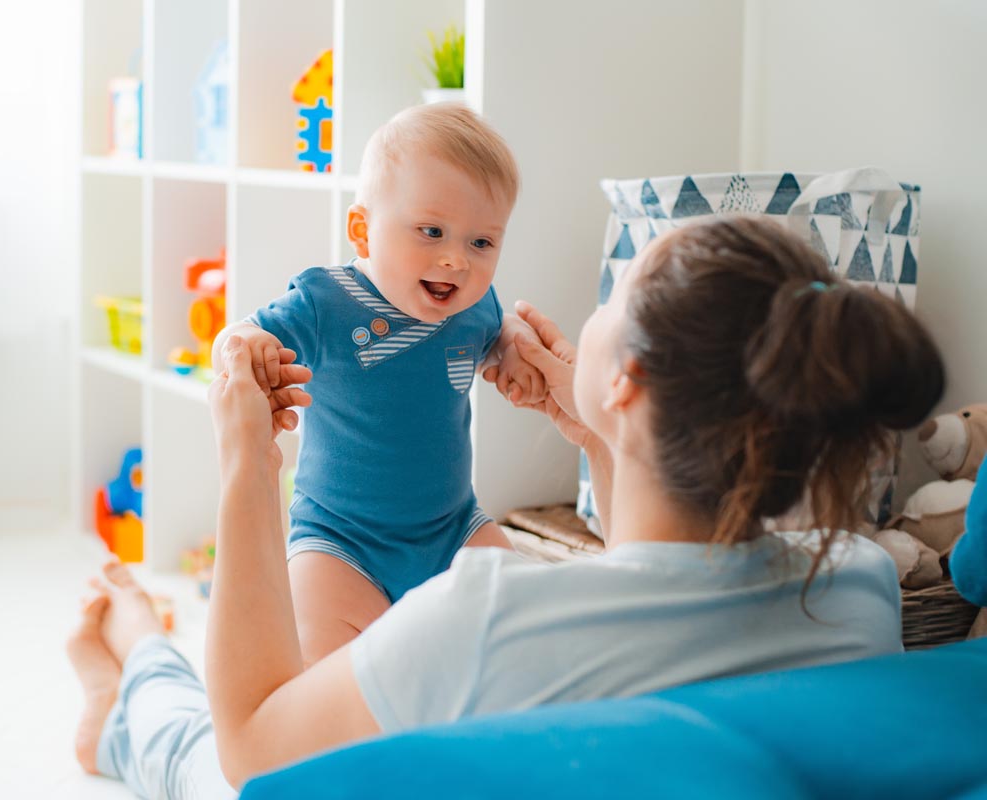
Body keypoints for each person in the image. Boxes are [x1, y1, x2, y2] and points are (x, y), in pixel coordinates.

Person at [67, 215, 945, 799]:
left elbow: (253, 748)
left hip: (249, 757)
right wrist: (602, 438)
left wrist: (247, 467)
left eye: (614, 296)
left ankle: (135, 666)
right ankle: (130, 678)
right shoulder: (859, 585)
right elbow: (662, 592)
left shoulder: (482, 611)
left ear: (625, 379)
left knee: (190, 751)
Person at [209, 103, 542, 666]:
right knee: (322, 666)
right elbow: (236, 336)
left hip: (452, 528)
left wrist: (514, 348)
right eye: (431, 231)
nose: (455, 260)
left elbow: (496, 331)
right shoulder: (326, 302)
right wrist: (245, 347)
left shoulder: (475, 307)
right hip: (339, 542)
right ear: (363, 231)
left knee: (524, 621)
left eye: (482, 243)